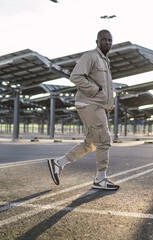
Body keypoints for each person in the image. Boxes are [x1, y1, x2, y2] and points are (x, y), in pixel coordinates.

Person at [47, 29, 119, 190]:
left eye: (110, 40)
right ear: (97, 41)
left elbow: (106, 86)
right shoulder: (91, 56)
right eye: (104, 39)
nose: (107, 42)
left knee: (91, 143)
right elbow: (76, 77)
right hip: (89, 104)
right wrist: (96, 91)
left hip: (96, 105)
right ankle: (101, 179)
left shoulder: (105, 61)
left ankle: (58, 163)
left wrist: (108, 104)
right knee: (104, 142)